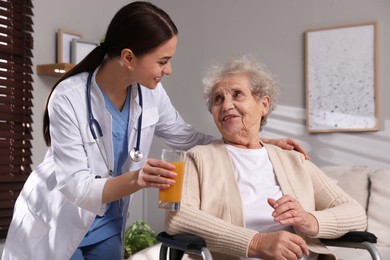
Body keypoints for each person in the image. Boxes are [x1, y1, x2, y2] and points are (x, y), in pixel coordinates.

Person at [1, 3, 307, 260]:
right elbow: (76, 187)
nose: (169, 70)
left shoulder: (150, 94)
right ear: (129, 58)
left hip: (107, 224)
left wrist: (254, 142)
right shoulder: (68, 97)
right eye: (163, 61)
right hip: (57, 219)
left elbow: (187, 138)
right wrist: (138, 179)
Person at [165, 55, 367, 260]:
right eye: (218, 99)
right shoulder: (197, 159)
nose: (226, 105)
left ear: (264, 105)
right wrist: (255, 242)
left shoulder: (293, 160)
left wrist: (310, 220)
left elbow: (356, 213)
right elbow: (177, 217)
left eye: (237, 95)